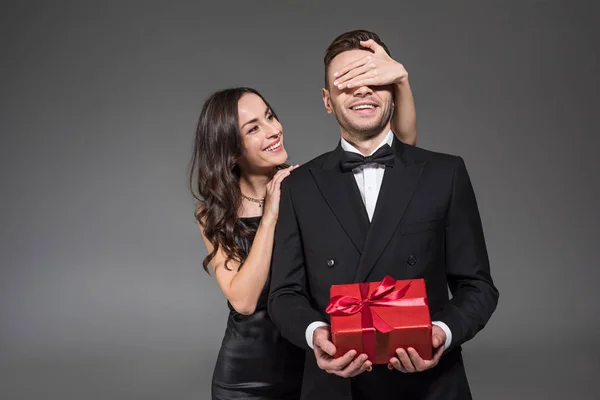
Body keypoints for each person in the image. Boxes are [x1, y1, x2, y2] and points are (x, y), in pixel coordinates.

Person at [268, 29, 499, 400]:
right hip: (335, 387)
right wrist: (316, 334)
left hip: (429, 385)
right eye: (347, 82)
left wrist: (441, 331)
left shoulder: (445, 173)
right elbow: (283, 294)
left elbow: (478, 286)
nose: (362, 90)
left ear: (393, 91)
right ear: (327, 101)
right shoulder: (299, 186)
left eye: (374, 78)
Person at [189, 41, 419, 399]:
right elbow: (245, 301)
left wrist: (400, 81)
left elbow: (403, 152)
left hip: (319, 360)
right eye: (253, 128)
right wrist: (270, 215)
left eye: (269, 115)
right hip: (246, 376)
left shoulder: (306, 183)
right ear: (230, 148)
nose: (272, 129)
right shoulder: (212, 213)